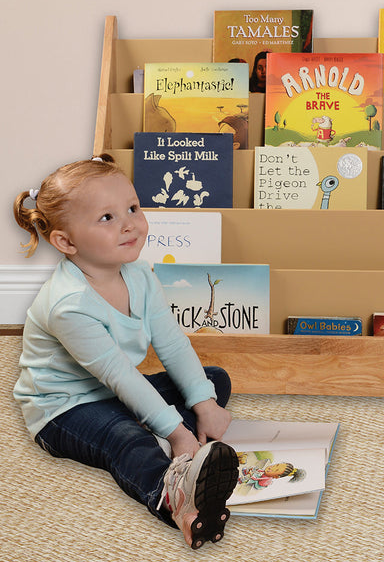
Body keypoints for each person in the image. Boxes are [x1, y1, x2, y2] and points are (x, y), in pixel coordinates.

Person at [13, 154, 239, 550]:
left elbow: (171, 342)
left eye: (132, 208)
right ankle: (174, 500)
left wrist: (203, 403)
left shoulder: (138, 274)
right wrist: (177, 433)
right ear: (66, 242)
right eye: (107, 218)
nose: (130, 223)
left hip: (114, 392)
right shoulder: (68, 304)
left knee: (213, 380)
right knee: (127, 440)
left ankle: (182, 436)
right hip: (64, 407)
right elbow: (120, 375)